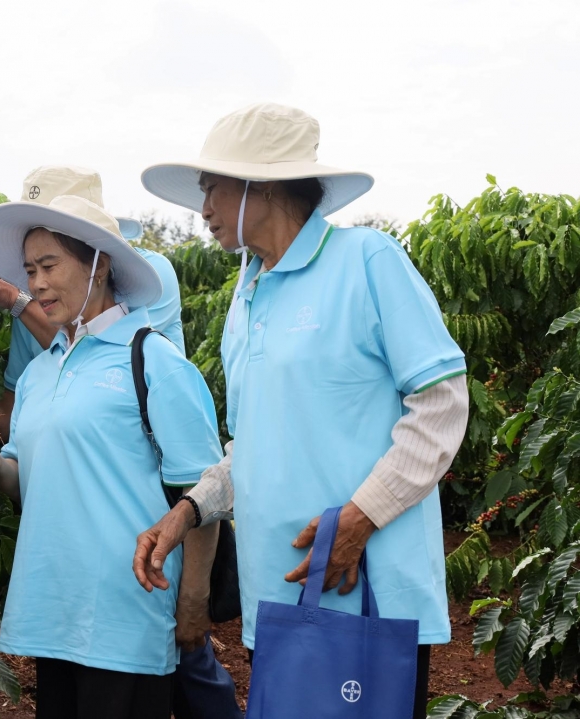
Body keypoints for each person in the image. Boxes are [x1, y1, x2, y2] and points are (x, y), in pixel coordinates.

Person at [132, 102, 469, 719]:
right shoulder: (247, 294)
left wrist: (362, 518)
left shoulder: (367, 260)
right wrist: (190, 509)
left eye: (211, 188)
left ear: (261, 186)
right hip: (280, 603)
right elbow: (253, 442)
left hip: (365, 598)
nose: (201, 207)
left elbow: (442, 403)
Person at [0, 165, 241, 719]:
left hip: (126, 616)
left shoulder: (153, 361)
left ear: (100, 265)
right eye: (30, 270)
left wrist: (193, 606)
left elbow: (205, 496)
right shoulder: (41, 372)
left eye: (50, 265)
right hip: (55, 614)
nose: (36, 284)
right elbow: (23, 481)